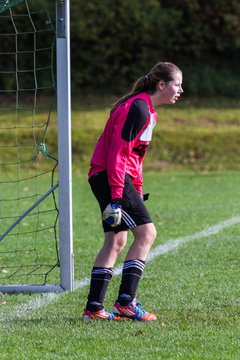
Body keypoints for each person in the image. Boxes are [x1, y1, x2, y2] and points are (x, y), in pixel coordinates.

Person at [82, 61, 183, 322]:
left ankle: (94, 309)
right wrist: (118, 194)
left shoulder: (147, 110)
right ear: (162, 85)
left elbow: (134, 158)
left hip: (111, 177)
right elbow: (118, 152)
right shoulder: (138, 107)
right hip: (110, 177)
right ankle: (126, 302)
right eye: (177, 84)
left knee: (116, 241)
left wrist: (136, 189)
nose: (181, 90)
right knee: (147, 233)